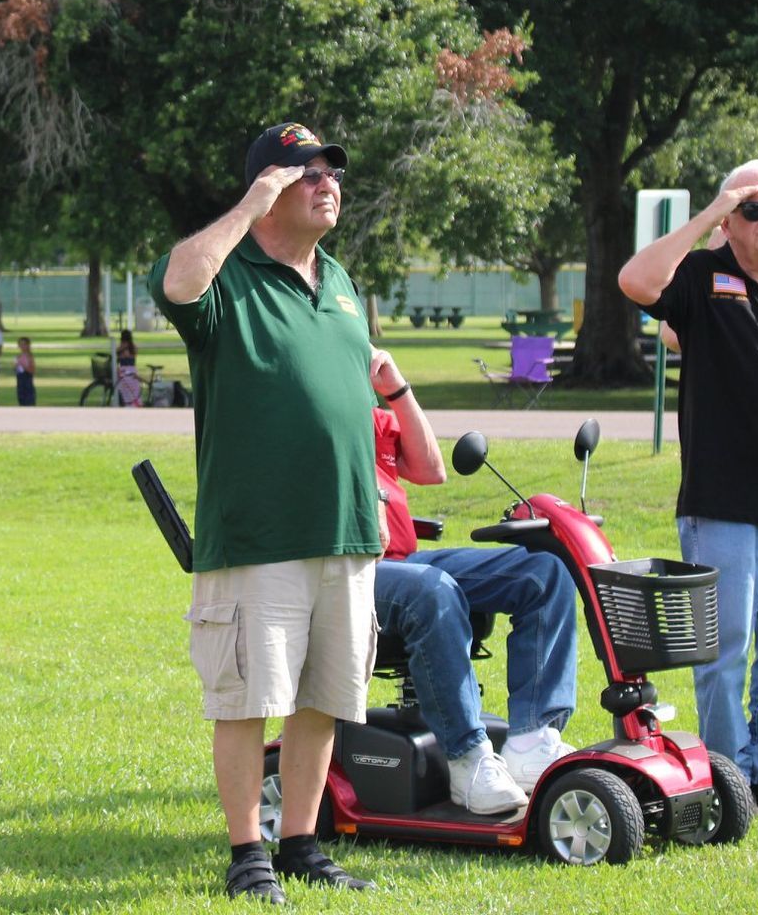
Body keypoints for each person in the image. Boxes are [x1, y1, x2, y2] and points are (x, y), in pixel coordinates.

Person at [149, 121, 381, 903]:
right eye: (304, 174)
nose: (326, 184)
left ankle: (302, 844)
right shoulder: (226, 277)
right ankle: (247, 852)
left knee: (324, 699)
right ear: (269, 188)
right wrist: (249, 205)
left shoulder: (342, 281)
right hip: (256, 535)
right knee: (248, 700)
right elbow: (174, 283)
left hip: (345, 530)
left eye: (330, 173)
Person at [617, 159, 758, 816]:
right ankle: (729, 775)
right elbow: (635, 281)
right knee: (724, 652)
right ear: (730, 221)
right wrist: (710, 213)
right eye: (754, 209)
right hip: (721, 501)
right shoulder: (698, 277)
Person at [367, 349, 579, 814]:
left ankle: (532, 740)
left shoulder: (376, 419)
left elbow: (431, 471)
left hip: (405, 561)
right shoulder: (311, 411)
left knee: (543, 571)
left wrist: (397, 389)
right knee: (431, 589)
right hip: (351, 571)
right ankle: (467, 759)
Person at [115, 328, 142, 407]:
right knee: (135, 391)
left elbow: (117, 356)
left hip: (123, 371)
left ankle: (127, 404)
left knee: (124, 389)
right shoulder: (133, 347)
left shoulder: (120, 348)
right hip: (133, 371)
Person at [13, 336, 37, 407]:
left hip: (27, 382)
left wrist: (23, 366)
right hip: (20, 381)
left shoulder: (30, 357)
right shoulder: (18, 357)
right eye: (20, 344)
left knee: (29, 401)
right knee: (21, 400)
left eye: (24, 344)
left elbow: (32, 370)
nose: (22, 346)